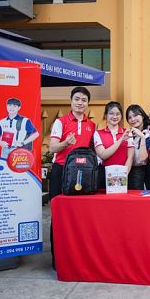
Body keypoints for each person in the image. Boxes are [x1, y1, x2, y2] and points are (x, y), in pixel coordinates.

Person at [49, 86, 96, 269]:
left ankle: (77, 258)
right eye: (77, 99)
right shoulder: (60, 122)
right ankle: (57, 259)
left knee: (78, 216)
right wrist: (65, 143)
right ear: (71, 100)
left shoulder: (91, 125)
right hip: (61, 171)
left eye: (84, 100)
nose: (80, 103)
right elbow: (52, 148)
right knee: (58, 214)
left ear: (87, 103)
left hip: (83, 174)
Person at [93, 101, 134, 189]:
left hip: (124, 174)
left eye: (118, 114)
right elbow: (103, 155)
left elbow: (130, 157)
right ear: (106, 115)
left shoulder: (127, 132)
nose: (115, 117)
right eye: (111, 113)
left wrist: (123, 175)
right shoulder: (98, 133)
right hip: (104, 174)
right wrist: (121, 140)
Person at [126, 104, 150, 190]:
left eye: (135, 115)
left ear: (143, 116)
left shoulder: (148, 134)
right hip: (127, 170)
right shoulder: (128, 134)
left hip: (141, 172)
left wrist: (142, 137)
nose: (133, 119)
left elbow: (142, 158)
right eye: (129, 117)